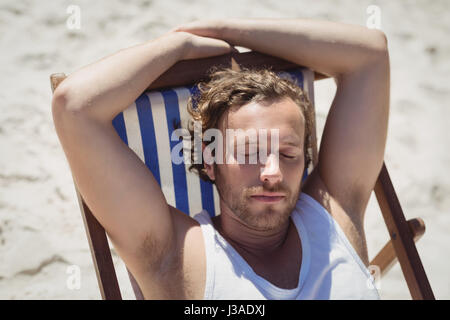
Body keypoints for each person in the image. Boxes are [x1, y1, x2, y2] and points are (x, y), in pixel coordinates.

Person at [51, 18, 389, 299]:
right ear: (209, 160)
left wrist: (228, 30)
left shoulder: (334, 212)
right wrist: (178, 45)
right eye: (249, 152)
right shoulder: (176, 257)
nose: (273, 172)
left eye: (288, 153)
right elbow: (75, 108)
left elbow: (370, 55)